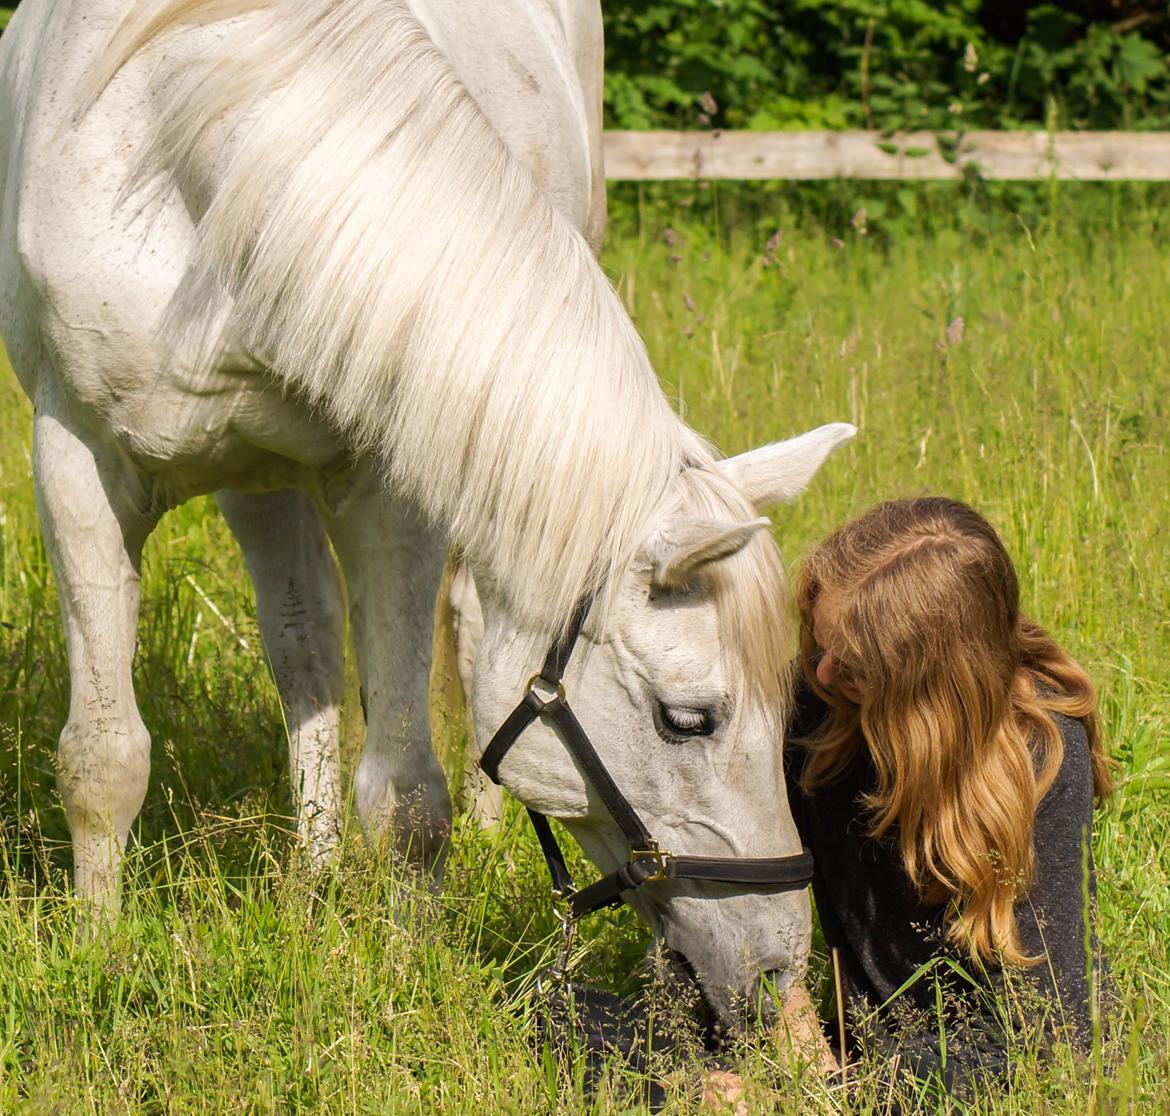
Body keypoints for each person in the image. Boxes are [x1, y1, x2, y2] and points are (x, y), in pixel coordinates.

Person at [785, 496, 1112, 1097]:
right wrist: (790, 1034)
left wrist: (832, 1092)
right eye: (819, 641)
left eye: (855, 666)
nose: (824, 673)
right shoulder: (811, 705)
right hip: (841, 1041)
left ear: (929, 687)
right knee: (570, 1023)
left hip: (980, 1058)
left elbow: (1055, 1033)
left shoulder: (1036, 750)